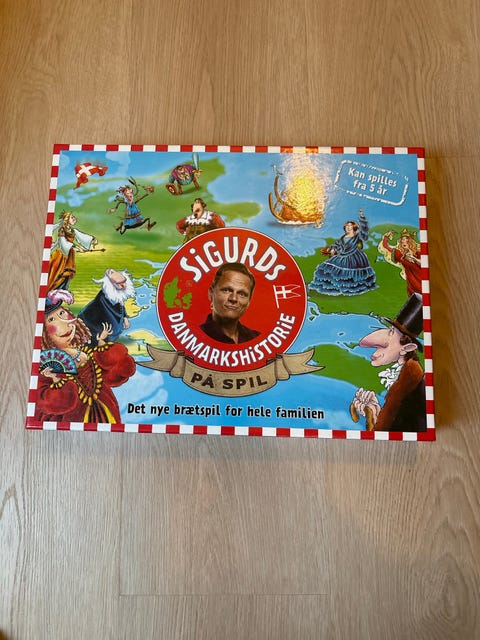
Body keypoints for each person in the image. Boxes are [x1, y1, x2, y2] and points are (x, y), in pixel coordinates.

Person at [36, 289, 136, 423]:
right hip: (72, 421)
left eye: (62, 313)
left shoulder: (86, 351)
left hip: (107, 413)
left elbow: (116, 375)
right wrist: (56, 380)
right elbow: (47, 404)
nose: (65, 323)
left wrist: (102, 345)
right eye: (52, 319)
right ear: (44, 332)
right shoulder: (45, 366)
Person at [350, 293, 426, 432]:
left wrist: (376, 423)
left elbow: (409, 427)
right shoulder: (405, 378)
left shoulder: (415, 384)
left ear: (406, 348)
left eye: (391, 332)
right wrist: (375, 414)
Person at [310, 209, 376, 295]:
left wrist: (362, 217)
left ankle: (350, 288)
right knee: (329, 268)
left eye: (350, 226)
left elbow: (364, 229)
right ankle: (334, 288)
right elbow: (338, 244)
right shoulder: (343, 237)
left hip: (354, 257)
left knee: (350, 273)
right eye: (346, 226)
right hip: (342, 255)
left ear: (354, 227)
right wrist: (332, 249)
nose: (348, 227)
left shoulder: (357, 236)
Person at [200, 262, 260, 344]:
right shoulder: (196, 337)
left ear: (249, 301)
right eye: (227, 290)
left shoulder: (257, 339)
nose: (233, 298)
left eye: (242, 294)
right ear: (211, 293)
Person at [78, 268, 136, 346]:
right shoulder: (104, 298)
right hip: (94, 330)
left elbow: (120, 305)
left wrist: (125, 317)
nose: (123, 286)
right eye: (119, 284)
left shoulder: (115, 296)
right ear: (111, 284)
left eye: (124, 282)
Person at [47, 211, 97, 291]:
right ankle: (54, 292)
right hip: (61, 256)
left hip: (69, 255)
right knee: (58, 274)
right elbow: (63, 244)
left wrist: (93, 240)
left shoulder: (72, 230)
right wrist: (78, 247)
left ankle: (63, 292)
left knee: (67, 274)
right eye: (72, 217)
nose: (74, 218)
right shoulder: (62, 230)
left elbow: (82, 236)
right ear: (67, 220)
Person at [380, 228, 422, 296]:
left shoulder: (418, 253)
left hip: (421, 279)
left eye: (405, 240)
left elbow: (424, 264)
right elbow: (386, 246)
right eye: (402, 240)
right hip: (412, 284)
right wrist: (386, 237)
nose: (403, 242)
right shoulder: (400, 255)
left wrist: (414, 259)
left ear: (410, 242)